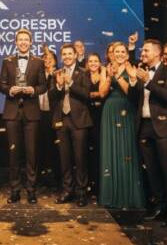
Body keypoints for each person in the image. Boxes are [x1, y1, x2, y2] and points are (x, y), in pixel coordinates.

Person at [133, 39, 167, 225]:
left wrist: (148, 81)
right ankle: (160, 207)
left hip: (164, 127)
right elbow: (135, 99)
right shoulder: (142, 72)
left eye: (146, 50)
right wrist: (133, 81)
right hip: (144, 126)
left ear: (156, 53)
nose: (142, 53)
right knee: (152, 170)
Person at [0, 28, 47, 204]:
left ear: (31, 42)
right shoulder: (7, 61)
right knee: (13, 154)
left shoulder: (38, 62)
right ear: (16, 42)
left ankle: (31, 191)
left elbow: (43, 86)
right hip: (12, 113)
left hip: (31, 113)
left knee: (31, 154)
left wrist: (33, 90)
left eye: (26, 39)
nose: (24, 42)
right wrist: (9, 90)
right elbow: (1, 85)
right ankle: (15, 191)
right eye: (20, 40)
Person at [98, 41, 145, 210]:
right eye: (115, 51)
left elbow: (131, 94)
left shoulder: (133, 68)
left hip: (127, 110)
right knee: (112, 151)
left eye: (122, 51)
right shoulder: (106, 69)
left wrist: (118, 75)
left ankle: (129, 196)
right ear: (111, 53)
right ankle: (111, 195)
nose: (118, 54)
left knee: (128, 151)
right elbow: (102, 92)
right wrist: (110, 76)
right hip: (110, 111)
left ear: (126, 53)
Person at [49, 43, 92, 207]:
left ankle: (82, 193)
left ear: (75, 55)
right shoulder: (57, 73)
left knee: (80, 158)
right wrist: (59, 85)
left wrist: (71, 83)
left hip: (79, 121)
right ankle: (67, 191)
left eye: (69, 54)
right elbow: (52, 95)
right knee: (64, 158)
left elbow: (86, 94)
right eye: (64, 54)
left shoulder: (83, 72)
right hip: (62, 120)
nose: (66, 57)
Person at [37, 46, 60, 191]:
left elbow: (53, 94)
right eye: (44, 58)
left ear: (56, 61)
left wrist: (51, 76)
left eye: (50, 58)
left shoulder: (58, 74)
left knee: (55, 148)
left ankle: (56, 177)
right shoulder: (37, 75)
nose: (47, 61)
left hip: (54, 115)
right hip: (39, 114)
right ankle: (41, 177)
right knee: (40, 147)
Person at [86, 53, 105, 197]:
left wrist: (94, 94)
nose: (93, 63)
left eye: (96, 61)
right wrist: (93, 94)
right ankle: (90, 184)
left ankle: (101, 185)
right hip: (86, 117)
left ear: (100, 63)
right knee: (89, 152)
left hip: (102, 117)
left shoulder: (104, 75)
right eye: (90, 61)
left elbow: (104, 93)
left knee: (100, 151)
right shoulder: (83, 76)